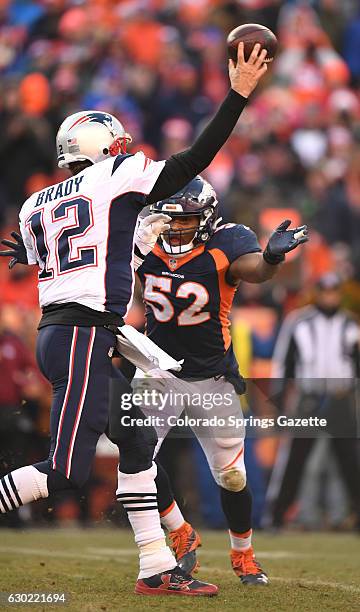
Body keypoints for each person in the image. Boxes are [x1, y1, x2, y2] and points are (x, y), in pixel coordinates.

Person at [0, 43, 268, 596]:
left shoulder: (34, 204)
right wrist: (237, 96)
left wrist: (31, 256)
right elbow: (190, 164)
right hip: (79, 332)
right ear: (104, 147)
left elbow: (59, 250)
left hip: (76, 330)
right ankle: (157, 561)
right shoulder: (112, 176)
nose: (125, 150)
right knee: (66, 472)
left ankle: (157, 566)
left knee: (138, 440)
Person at [129, 175, 308, 585]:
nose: (174, 227)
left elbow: (256, 271)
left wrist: (271, 259)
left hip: (211, 375)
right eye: (169, 218)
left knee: (232, 476)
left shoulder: (227, 243)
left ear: (207, 218)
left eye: (185, 220)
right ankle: (179, 531)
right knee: (136, 456)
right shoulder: (142, 239)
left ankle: (243, 554)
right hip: (159, 370)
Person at [268, 272, 360, 530]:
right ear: (317, 292)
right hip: (309, 398)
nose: (330, 296)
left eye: (334, 291)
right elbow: (283, 363)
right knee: (295, 459)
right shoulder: (299, 322)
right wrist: (278, 402)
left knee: (350, 461)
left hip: (341, 398)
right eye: (325, 291)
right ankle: (276, 516)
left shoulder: (350, 324)